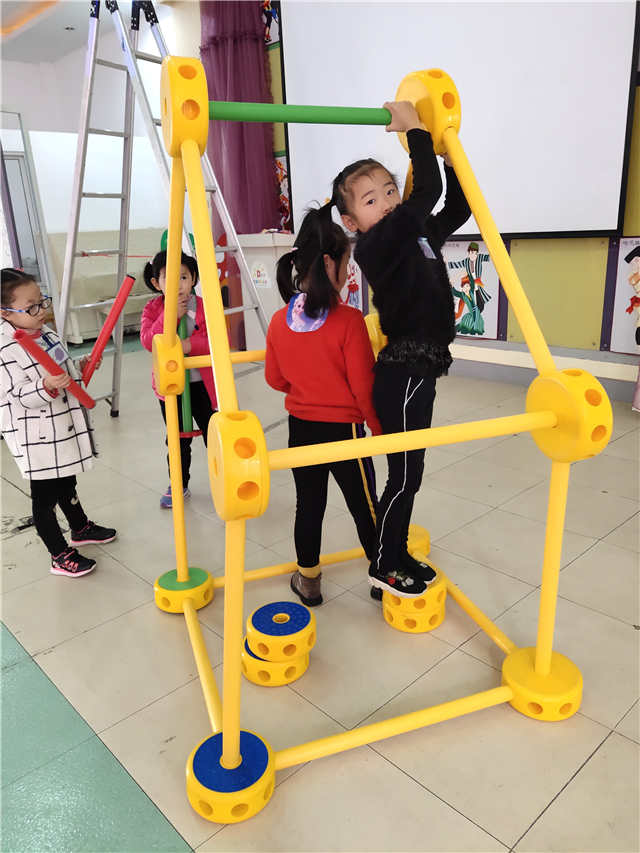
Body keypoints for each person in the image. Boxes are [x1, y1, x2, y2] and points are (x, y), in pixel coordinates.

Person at [328, 100, 471, 598]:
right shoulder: (378, 244)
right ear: (352, 221)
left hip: (420, 368)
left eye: (390, 190)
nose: (387, 202)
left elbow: (455, 208)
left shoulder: (417, 233)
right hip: (403, 372)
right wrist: (415, 131)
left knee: (410, 475)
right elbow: (426, 192)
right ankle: (384, 562)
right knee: (405, 475)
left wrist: (450, 161)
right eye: (371, 199)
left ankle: (396, 552)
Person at [265, 208, 381, 606]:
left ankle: (309, 582)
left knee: (309, 505)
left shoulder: (279, 320)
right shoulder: (349, 321)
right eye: (348, 262)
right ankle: (382, 574)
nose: (350, 271)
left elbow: (274, 379)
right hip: (345, 432)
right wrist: (380, 431)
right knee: (364, 505)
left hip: (300, 427)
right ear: (330, 262)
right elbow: (364, 389)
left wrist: (305, 386)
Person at [0, 267, 116, 577]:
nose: (41, 310)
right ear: (5, 312)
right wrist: (46, 386)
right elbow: (16, 394)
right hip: (35, 433)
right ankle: (58, 554)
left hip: (61, 423)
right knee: (45, 496)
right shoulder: (5, 347)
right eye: (31, 307)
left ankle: (80, 527)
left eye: (42, 301)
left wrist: (80, 365)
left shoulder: (45, 332)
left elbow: (60, 367)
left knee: (66, 479)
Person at [140, 251, 217, 508]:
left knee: (213, 433)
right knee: (177, 438)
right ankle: (178, 484)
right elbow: (149, 341)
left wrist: (189, 345)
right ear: (156, 283)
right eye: (169, 278)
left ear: (193, 278)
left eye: (183, 277)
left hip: (202, 386)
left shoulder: (203, 306)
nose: (178, 284)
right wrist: (171, 315)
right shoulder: (153, 309)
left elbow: (216, 340)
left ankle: (223, 478)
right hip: (172, 388)